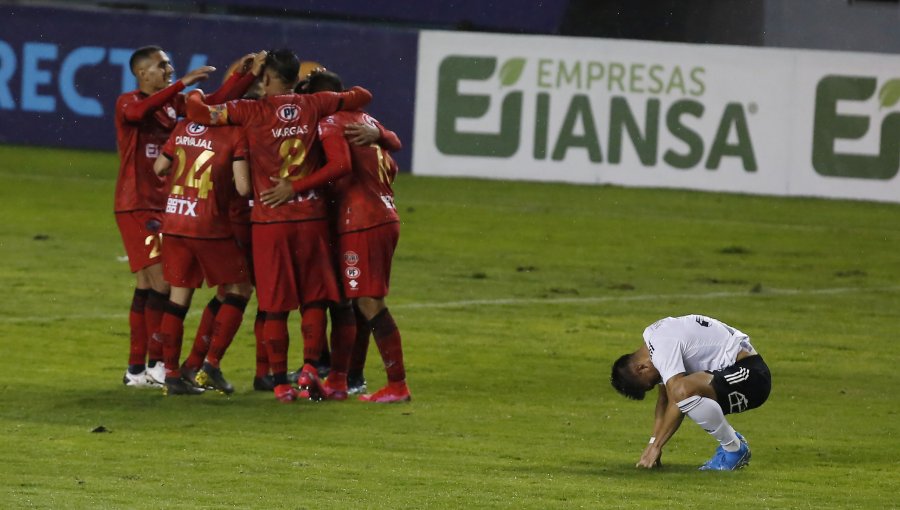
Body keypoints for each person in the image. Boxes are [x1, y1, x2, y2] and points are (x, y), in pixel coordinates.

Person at [185, 49, 373, 403]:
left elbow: (196, 111)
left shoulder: (250, 110)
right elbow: (363, 95)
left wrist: (193, 88)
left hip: (270, 222)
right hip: (311, 217)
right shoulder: (316, 104)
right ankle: (307, 370)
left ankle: (279, 381)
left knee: (274, 304)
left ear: (266, 78)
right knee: (315, 299)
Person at [261, 70, 410, 403]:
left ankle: (397, 384)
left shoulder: (330, 124)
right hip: (384, 215)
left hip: (361, 223)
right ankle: (340, 380)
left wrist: (295, 187)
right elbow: (394, 160)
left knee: (368, 303)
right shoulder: (366, 121)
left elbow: (340, 167)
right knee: (348, 300)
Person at [114, 46, 256, 388]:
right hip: (137, 205)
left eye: (169, 64)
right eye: (162, 65)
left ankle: (138, 369)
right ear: (142, 73)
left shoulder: (170, 104)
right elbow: (137, 114)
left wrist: (244, 75)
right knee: (164, 283)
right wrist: (182, 85)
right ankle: (157, 365)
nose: (169, 69)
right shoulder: (128, 101)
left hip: (163, 204)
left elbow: (211, 104)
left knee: (149, 285)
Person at [152, 115, 254, 396]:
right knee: (239, 289)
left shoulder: (184, 126)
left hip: (175, 220)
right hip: (209, 225)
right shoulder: (235, 133)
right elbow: (244, 187)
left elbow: (160, 166)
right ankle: (209, 364)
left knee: (178, 298)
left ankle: (172, 374)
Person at [610, 314, 772, 470]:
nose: (656, 383)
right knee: (680, 391)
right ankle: (733, 444)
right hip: (732, 372)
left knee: (682, 391)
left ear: (641, 368)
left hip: (752, 377)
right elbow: (664, 399)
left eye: (651, 383)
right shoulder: (653, 337)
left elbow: (676, 396)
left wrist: (657, 446)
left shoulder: (662, 348)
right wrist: (653, 443)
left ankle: (734, 449)